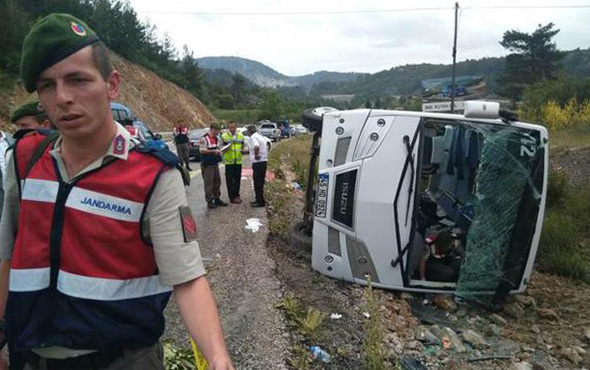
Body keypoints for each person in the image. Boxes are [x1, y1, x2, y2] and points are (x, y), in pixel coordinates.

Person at [0, 13, 234, 370]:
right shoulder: (25, 160)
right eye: (47, 85)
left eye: (78, 80)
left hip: (123, 361)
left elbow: (187, 279)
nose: (62, 98)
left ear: (112, 84)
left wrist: (219, 360)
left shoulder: (155, 173)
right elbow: (7, 259)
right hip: (28, 359)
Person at [199, 123, 228, 209]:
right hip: (207, 165)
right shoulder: (204, 138)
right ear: (212, 129)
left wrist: (221, 151)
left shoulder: (216, 138)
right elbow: (202, 150)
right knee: (209, 183)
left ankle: (217, 198)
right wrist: (213, 151)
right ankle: (209, 201)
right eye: (216, 130)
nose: (218, 132)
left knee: (217, 182)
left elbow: (218, 148)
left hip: (215, 163)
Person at [220, 122, 245, 204]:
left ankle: (237, 195)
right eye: (231, 127)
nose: (232, 129)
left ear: (236, 127)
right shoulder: (224, 137)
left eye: (234, 127)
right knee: (230, 181)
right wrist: (225, 149)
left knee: (237, 180)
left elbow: (243, 145)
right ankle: (232, 197)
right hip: (229, 162)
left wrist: (243, 150)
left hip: (238, 161)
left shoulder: (240, 136)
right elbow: (220, 148)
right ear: (228, 128)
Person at [245, 125, 268, 208]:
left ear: (250, 131)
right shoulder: (259, 136)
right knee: (260, 182)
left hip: (258, 162)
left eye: (247, 131)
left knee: (257, 182)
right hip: (263, 161)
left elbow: (256, 146)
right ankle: (259, 199)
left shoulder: (253, 137)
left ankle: (260, 201)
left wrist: (256, 155)